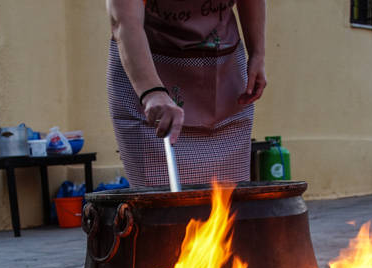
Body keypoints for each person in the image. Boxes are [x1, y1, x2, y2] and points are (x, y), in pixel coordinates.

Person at [107, 0, 266, 187]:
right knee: (160, 208)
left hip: (225, 76)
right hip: (148, 77)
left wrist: (257, 53)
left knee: (229, 204)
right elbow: (124, 22)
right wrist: (151, 91)